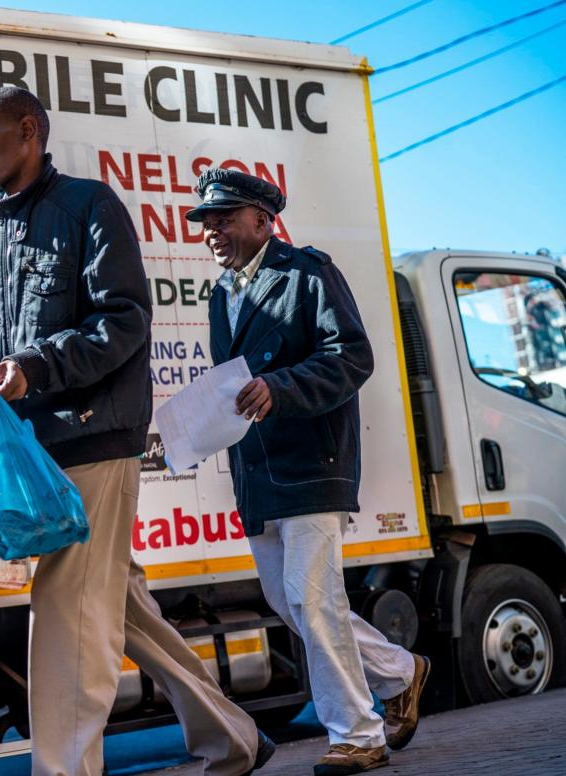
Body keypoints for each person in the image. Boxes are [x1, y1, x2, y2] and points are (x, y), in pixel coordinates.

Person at [0, 86, 275, 776]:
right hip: (35, 451)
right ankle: (235, 737)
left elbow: (123, 322)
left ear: (29, 133)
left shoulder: (90, 207)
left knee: (66, 620)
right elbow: (0, 343)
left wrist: (32, 367)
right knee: (111, 603)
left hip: (93, 440)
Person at [191, 168, 432, 776]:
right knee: (287, 596)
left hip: (312, 463)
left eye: (224, 218)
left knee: (311, 595)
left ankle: (357, 733)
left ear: (263, 220)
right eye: (207, 222)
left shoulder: (307, 273)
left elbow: (352, 357)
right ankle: (403, 672)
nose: (212, 230)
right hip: (257, 469)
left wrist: (280, 386)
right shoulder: (221, 294)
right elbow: (234, 384)